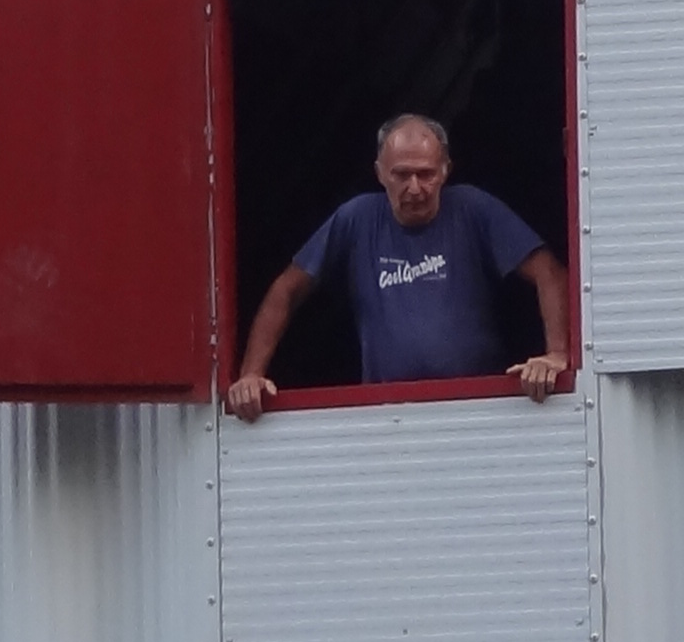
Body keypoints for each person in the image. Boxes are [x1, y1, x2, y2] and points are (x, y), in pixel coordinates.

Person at [227, 111, 569, 415]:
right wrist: (251, 375)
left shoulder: (473, 209)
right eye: (402, 175)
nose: (415, 188)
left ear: (446, 170)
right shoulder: (356, 218)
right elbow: (287, 290)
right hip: (386, 412)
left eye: (426, 174)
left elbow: (549, 272)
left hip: (476, 406)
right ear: (379, 173)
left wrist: (556, 355)